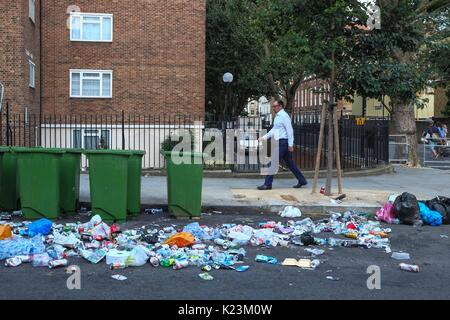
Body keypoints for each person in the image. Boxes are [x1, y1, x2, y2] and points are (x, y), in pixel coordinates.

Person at [256, 100, 307, 190]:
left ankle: (267, 184)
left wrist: (290, 144)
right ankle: (302, 180)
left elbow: (290, 130)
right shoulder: (277, 117)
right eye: (273, 106)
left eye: (274, 106)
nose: (273, 108)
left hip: (284, 142)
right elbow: (273, 130)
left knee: (274, 161)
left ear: (280, 106)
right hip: (281, 142)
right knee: (290, 163)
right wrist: (263, 138)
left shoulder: (284, 116)